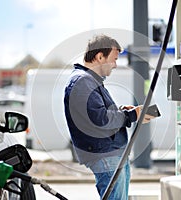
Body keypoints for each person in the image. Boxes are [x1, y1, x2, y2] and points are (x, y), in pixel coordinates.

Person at [64, 34, 152, 200]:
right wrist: (132, 114)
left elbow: (97, 113)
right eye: (114, 59)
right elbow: (100, 119)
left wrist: (122, 110)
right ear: (99, 57)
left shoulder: (90, 80)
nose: (116, 65)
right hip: (105, 154)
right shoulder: (83, 81)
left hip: (111, 153)